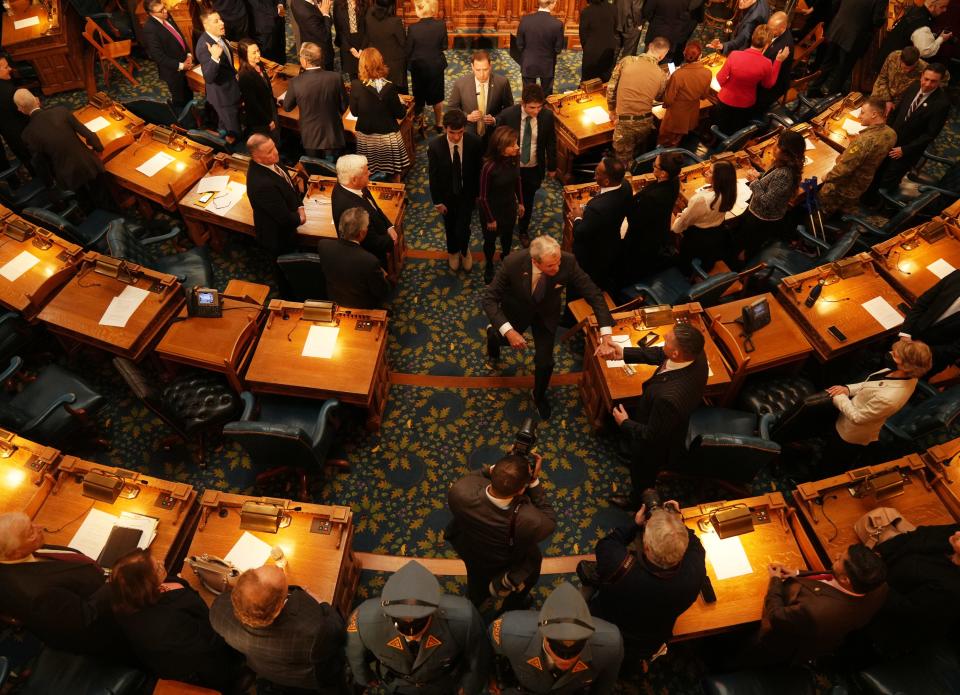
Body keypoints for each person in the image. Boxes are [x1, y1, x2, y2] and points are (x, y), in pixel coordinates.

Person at [483, 235, 615, 419]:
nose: (558, 268)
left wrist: (606, 333)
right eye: (551, 266)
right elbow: (488, 299)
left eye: (559, 262)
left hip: (546, 315)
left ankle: (538, 396)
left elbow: (594, 294)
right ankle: (493, 335)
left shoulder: (568, 261)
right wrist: (509, 331)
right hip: (517, 312)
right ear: (535, 262)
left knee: (546, 362)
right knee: (501, 338)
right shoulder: (512, 263)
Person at [599, 324, 709, 509]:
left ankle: (636, 501)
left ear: (676, 353)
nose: (664, 336)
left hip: (656, 443)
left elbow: (652, 436)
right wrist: (625, 353)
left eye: (667, 340)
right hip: (659, 414)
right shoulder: (696, 354)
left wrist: (625, 423)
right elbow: (661, 354)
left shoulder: (670, 398)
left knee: (642, 472)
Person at [587, 496, 705, 662]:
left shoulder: (617, 563)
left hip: (604, 627)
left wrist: (635, 525)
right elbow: (696, 545)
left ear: (646, 546)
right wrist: (677, 524)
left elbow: (608, 542)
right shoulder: (695, 573)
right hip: (647, 643)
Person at [346, 560, 491, 693]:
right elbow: (355, 655)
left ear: (432, 612)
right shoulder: (362, 621)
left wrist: (468, 689)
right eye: (401, 626)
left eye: (419, 625)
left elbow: (479, 658)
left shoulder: (465, 618)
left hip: (441, 684)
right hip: (397, 684)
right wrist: (364, 678)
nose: (411, 636)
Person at [109, 549, 244, 692]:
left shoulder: (136, 595)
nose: (162, 562)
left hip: (201, 630)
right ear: (146, 584)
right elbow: (210, 642)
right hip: (208, 663)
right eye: (157, 567)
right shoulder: (165, 624)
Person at [210, 564, 348, 693]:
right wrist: (322, 602)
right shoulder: (314, 631)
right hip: (309, 678)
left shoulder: (217, 611)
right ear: (278, 609)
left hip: (264, 668)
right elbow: (338, 629)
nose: (280, 570)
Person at [446, 453, 556, 612]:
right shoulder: (528, 521)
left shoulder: (460, 491)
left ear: (492, 473)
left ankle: (475, 603)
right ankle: (511, 607)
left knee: (476, 577)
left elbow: (473, 478)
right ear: (520, 490)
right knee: (528, 572)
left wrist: (500, 468)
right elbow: (550, 521)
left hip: (469, 547)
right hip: (503, 561)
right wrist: (533, 481)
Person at [750, 544, 888, 666]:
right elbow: (833, 576)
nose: (836, 555)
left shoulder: (815, 610)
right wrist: (797, 574)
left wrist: (775, 580)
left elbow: (776, 616)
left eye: (840, 559)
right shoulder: (878, 585)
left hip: (784, 644)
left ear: (845, 580)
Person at [0, 512, 116, 655]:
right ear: (15, 553)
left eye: (32, 523)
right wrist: (114, 581)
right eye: (31, 532)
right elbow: (85, 618)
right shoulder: (36, 593)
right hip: (106, 626)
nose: (40, 527)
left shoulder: (19, 552)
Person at [489, 582, 623, 694]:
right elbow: (488, 652)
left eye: (574, 651)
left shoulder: (610, 644)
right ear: (545, 636)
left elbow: (605, 684)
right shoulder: (507, 631)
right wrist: (492, 678)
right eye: (557, 650)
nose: (565, 661)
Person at [824, 340, 931, 463]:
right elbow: (869, 384)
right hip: (847, 412)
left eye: (895, 355)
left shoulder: (889, 398)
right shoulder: (905, 374)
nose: (890, 353)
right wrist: (847, 389)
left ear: (906, 366)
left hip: (849, 434)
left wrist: (839, 397)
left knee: (831, 462)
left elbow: (858, 418)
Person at [14, 89, 106, 206]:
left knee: (86, 203)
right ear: (37, 100)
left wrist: (50, 185)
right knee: (105, 196)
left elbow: (40, 163)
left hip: (68, 175)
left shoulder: (27, 134)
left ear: (20, 109)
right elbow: (88, 134)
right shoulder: (61, 111)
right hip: (89, 163)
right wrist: (98, 149)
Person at [874, 524, 960, 648]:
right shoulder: (953, 537)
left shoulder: (950, 590)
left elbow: (904, 612)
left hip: (884, 619)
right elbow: (916, 535)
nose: (958, 533)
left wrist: (871, 581)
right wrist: (878, 554)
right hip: (880, 575)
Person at [872, 64, 950, 196]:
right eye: (926, 79)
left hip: (906, 151)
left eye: (933, 81)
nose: (927, 84)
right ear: (921, 76)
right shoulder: (914, 86)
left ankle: (876, 207)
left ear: (940, 82)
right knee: (876, 169)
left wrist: (905, 149)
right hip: (891, 139)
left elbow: (930, 135)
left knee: (888, 180)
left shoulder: (942, 104)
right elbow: (898, 111)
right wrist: (885, 131)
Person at [495, 84, 558, 248]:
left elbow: (551, 142)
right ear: (523, 103)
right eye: (532, 107)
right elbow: (498, 142)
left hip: (533, 168)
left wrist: (552, 166)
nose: (536, 111)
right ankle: (503, 227)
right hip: (510, 167)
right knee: (505, 199)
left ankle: (523, 229)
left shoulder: (547, 116)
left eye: (539, 107)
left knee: (528, 201)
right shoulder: (508, 115)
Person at [817, 97, 896, 218]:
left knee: (822, 206)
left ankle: (816, 228)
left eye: (863, 112)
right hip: (862, 184)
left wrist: (826, 177)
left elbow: (844, 169)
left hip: (843, 187)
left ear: (874, 114)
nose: (860, 116)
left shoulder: (863, 141)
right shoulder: (891, 134)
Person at [428, 108, 482, 271]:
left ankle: (465, 251)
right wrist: (437, 202)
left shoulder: (475, 142)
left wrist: (479, 194)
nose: (456, 137)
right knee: (450, 226)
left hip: (467, 194)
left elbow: (478, 171)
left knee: (464, 226)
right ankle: (453, 251)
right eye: (452, 132)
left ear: (464, 129)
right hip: (446, 196)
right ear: (445, 128)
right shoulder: (435, 146)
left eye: (460, 132)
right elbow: (433, 177)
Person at [737, 129, 804, 259]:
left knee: (747, 249)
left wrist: (754, 182)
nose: (773, 146)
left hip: (761, 219)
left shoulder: (784, 174)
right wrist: (760, 176)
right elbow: (771, 180)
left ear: (785, 152)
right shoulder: (781, 163)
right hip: (757, 213)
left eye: (777, 144)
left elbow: (766, 202)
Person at [570, 156, 632, 293]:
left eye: (597, 173)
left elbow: (580, 233)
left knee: (583, 284)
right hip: (611, 243)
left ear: (607, 181)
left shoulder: (596, 208)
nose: (594, 174)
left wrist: (578, 217)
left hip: (591, 254)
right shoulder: (626, 186)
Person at [621, 150, 683, 282]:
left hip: (643, 238)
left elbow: (636, 221)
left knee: (632, 265)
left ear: (664, 173)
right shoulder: (674, 181)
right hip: (658, 228)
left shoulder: (653, 197)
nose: (652, 166)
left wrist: (628, 207)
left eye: (655, 166)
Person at [714, 25, 788, 135]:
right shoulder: (767, 63)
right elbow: (768, 84)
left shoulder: (734, 55)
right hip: (745, 104)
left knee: (719, 127)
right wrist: (778, 61)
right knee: (734, 132)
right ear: (767, 44)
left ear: (752, 37)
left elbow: (720, 79)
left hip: (725, 100)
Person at [606, 36, 670, 163]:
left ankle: (626, 179)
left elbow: (611, 88)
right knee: (639, 154)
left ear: (649, 46)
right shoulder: (662, 75)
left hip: (625, 124)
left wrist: (612, 110)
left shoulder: (627, 61)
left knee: (623, 160)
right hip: (646, 123)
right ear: (662, 56)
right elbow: (658, 97)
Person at [350, 47, 409, 179]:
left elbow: (354, 113)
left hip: (366, 138)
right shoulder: (390, 87)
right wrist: (402, 105)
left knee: (368, 172)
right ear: (380, 63)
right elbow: (400, 114)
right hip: (388, 138)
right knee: (394, 172)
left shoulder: (356, 85)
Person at [282, 42, 348, 158]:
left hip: (311, 138)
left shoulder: (296, 82)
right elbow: (344, 105)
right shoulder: (335, 77)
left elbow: (287, 107)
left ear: (305, 61)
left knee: (316, 170)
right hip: (333, 134)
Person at [332, 154, 397, 268]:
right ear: (354, 179)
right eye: (366, 172)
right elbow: (371, 243)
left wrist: (389, 226)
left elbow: (374, 207)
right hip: (371, 259)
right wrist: (391, 241)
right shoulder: (353, 210)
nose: (370, 173)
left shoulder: (351, 184)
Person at [317, 207, 390, 309]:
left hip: (335, 301)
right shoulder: (369, 261)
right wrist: (383, 276)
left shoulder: (323, 245)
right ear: (362, 233)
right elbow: (382, 292)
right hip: (363, 308)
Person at [671, 159, 737, 271]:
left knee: (684, 266)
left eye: (710, 172)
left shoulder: (701, 199)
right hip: (717, 233)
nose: (706, 172)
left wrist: (675, 223)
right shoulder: (729, 191)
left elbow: (683, 223)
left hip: (697, 238)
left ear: (718, 179)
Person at [809, 0, 886, 95]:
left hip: (838, 28)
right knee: (842, 71)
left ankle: (813, 89)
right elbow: (877, 20)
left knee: (827, 63)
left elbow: (835, 4)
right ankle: (831, 98)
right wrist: (884, 18)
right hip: (854, 37)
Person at [247, 133, 305, 257]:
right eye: (269, 151)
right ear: (257, 158)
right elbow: (284, 218)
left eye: (274, 147)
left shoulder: (271, 160)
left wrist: (300, 205)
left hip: (287, 218)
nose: (276, 152)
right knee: (284, 264)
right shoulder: (262, 185)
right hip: (277, 234)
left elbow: (288, 185)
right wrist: (300, 218)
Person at [478, 125, 523, 283]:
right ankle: (489, 264)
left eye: (516, 143)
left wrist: (521, 203)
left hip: (509, 207)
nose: (517, 147)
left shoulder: (514, 158)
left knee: (508, 238)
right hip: (491, 210)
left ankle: (506, 258)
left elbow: (517, 179)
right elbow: (482, 197)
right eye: (513, 145)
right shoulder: (488, 167)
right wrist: (490, 219)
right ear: (501, 147)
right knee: (490, 241)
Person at [899, 269, 960, 378]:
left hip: (930, 358)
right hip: (909, 336)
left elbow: (956, 349)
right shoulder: (957, 275)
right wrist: (905, 333)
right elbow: (922, 303)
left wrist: (918, 349)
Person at [195, 9, 242, 146]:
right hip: (223, 96)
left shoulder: (220, 38)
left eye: (220, 19)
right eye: (216, 21)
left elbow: (227, 62)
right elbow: (209, 77)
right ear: (206, 26)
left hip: (230, 88)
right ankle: (236, 151)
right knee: (234, 128)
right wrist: (215, 58)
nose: (222, 23)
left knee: (226, 122)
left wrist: (234, 73)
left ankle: (222, 134)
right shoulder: (204, 46)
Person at [141, 0, 194, 110]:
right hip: (174, 72)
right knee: (181, 101)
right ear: (151, 13)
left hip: (185, 63)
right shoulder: (149, 29)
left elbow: (179, 36)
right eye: (161, 11)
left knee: (189, 94)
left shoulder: (166, 15)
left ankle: (194, 114)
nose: (165, 11)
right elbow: (158, 56)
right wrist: (181, 66)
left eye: (164, 7)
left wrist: (188, 54)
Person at [449, 50, 514, 138]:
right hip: (468, 132)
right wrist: (466, 117)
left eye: (485, 69)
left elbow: (509, 109)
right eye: (478, 70)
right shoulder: (460, 84)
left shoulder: (502, 82)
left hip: (493, 133)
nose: (482, 74)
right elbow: (452, 108)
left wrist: (495, 120)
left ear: (490, 66)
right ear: (472, 67)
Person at [658, 40, 712, 147]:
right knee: (677, 140)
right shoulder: (707, 73)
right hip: (692, 115)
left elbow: (668, 100)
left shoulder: (678, 75)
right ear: (700, 56)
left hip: (675, 117)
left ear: (684, 54)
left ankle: (660, 162)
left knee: (665, 143)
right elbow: (704, 96)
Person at [406, 0, 448, 133]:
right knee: (437, 97)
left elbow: (408, 49)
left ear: (418, 10)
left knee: (419, 97)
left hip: (418, 68)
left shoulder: (412, 29)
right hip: (436, 66)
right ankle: (439, 123)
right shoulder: (441, 25)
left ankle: (421, 124)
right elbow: (444, 46)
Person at [876, 0, 951, 68]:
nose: (945, 10)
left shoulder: (916, 11)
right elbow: (925, 51)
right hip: (894, 66)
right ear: (931, 6)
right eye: (942, 7)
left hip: (886, 59)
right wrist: (941, 39)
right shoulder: (921, 24)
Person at [517, 0, 564, 95]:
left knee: (528, 95)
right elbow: (558, 49)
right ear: (552, 4)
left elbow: (519, 44)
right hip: (547, 65)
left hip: (528, 63)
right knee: (546, 96)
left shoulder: (525, 20)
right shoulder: (557, 24)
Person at [238, 39, 280, 140]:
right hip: (262, 120)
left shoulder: (259, 65)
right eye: (253, 53)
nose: (258, 55)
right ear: (244, 55)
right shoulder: (245, 75)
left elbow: (266, 88)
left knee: (277, 135)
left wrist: (273, 100)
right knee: (269, 142)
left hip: (269, 107)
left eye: (258, 51)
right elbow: (252, 103)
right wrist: (268, 121)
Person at [871, 47, 931, 115]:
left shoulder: (924, 68)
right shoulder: (893, 57)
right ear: (900, 60)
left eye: (911, 68)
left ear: (917, 61)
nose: (907, 71)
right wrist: (887, 100)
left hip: (900, 101)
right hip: (882, 91)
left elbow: (943, 78)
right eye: (905, 68)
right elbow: (882, 77)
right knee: (871, 113)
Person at [754, 11, 793, 112]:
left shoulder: (783, 46)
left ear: (783, 27)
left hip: (772, 87)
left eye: (772, 29)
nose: (769, 31)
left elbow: (766, 73)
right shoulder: (778, 33)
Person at [365, 0, 407, 93]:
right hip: (394, 66)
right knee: (398, 94)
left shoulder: (368, 16)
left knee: (381, 92)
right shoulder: (395, 22)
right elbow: (404, 42)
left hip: (376, 61)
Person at [643, 0, 697, 65]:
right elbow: (688, 16)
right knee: (665, 63)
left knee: (647, 59)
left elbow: (646, 12)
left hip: (656, 30)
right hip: (673, 33)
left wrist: (654, 21)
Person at [579, 0, 618, 82]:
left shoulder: (587, 11)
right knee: (605, 78)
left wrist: (586, 47)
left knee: (588, 80)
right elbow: (615, 29)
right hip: (609, 48)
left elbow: (583, 34)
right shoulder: (614, 8)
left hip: (592, 50)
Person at [291, 0, 335, 70]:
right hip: (320, 55)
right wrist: (326, 13)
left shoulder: (295, 2)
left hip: (309, 43)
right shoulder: (307, 14)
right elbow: (325, 35)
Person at [333, 0, 366, 78]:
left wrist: (362, 48)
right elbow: (339, 30)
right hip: (346, 44)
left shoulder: (364, 3)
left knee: (366, 75)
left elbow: (368, 29)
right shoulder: (338, 4)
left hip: (363, 44)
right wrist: (350, 48)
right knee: (352, 76)